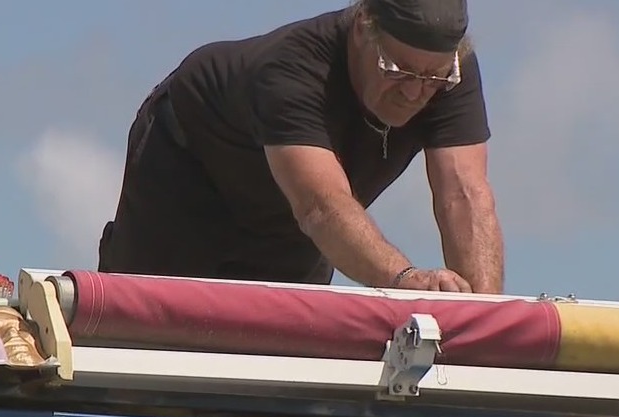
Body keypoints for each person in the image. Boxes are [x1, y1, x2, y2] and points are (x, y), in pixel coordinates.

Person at [98, 0, 505, 293]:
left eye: (434, 77)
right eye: (398, 71)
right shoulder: (293, 69)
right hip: (188, 174)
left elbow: (464, 194)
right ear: (363, 26)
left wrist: (488, 321)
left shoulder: (451, 75)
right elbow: (322, 205)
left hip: (289, 218)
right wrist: (405, 279)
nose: (417, 91)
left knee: (288, 346)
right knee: (147, 316)